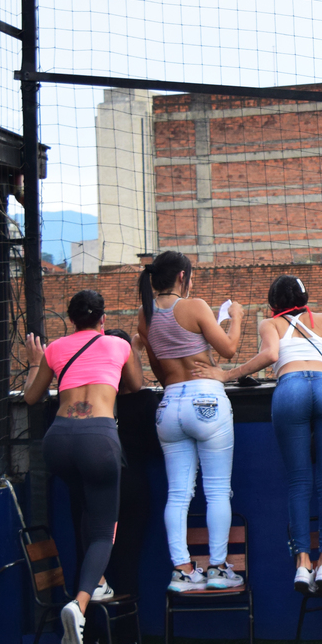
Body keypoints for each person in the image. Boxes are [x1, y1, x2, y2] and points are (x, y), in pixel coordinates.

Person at [196, 276, 322, 594]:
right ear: (305, 300)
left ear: (272, 306)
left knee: (299, 483)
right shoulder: (320, 319)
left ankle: (303, 564)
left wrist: (226, 374)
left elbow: (269, 356)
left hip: (291, 387)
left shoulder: (270, 324)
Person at [22, 289, 144, 644]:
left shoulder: (57, 348)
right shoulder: (116, 346)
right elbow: (136, 386)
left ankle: (96, 585)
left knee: (85, 515)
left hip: (58, 442)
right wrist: (135, 346)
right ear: (102, 319)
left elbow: (31, 397)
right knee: (103, 532)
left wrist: (35, 363)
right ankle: (81, 603)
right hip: (98, 439)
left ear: (72, 320)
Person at [136, 251, 245, 594]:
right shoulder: (195, 306)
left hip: (169, 405)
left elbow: (157, 369)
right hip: (207, 399)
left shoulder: (145, 315)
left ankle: (182, 570)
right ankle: (217, 567)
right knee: (216, 491)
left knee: (178, 494)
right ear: (183, 276)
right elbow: (228, 350)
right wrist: (236, 317)